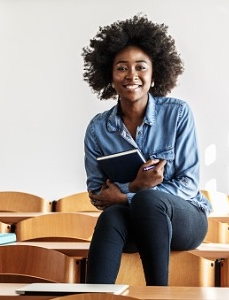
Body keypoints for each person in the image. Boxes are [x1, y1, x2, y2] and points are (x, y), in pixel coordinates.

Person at [82, 14, 212, 286]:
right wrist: (133, 187)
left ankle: (158, 293)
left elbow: (188, 184)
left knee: (146, 200)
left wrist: (130, 193)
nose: (131, 75)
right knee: (112, 217)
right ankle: (93, 294)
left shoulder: (177, 114)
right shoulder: (97, 130)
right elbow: (99, 195)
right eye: (121, 68)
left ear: (154, 75)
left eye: (141, 67)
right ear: (110, 75)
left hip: (185, 219)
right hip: (132, 222)